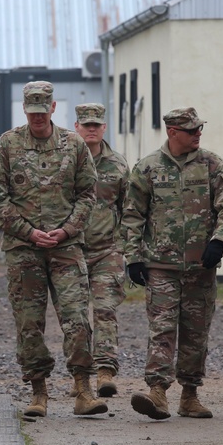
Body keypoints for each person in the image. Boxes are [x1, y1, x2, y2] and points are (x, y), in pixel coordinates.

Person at [0, 81, 107, 418]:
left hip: (66, 247)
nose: (38, 118)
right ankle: (38, 391)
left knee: (77, 319)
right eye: (32, 112)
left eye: (43, 111)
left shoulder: (74, 144)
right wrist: (28, 231)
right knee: (29, 324)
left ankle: (83, 389)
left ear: (54, 108)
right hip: (25, 249)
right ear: (24, 110)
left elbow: (87, 193)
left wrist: (67, 229)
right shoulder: (8, 144)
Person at [122, 107, 223, 420]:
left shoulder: (212, 164)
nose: (197, 134)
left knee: (195, 331)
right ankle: (157, 392)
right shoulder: (147, 168)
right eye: (191, 130)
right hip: (160, 266)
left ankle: (190, 395)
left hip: (200, 266)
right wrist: (133, 258)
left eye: (199, 129)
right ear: (172, 132)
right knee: (162, 329)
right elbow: (133, 215)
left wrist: (219, 241)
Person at [73, 103, 130, 398]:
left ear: (104, 128)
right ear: (76, 127)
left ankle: (106, 371)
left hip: (108, 251)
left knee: (106, 310)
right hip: (71, 251)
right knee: (76, 315)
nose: (92, 129)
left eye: (97, 124)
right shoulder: (66, 161)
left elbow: (129, 209)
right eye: (86, 124)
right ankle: (80, 376)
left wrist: (125, 247)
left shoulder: (118, 165)